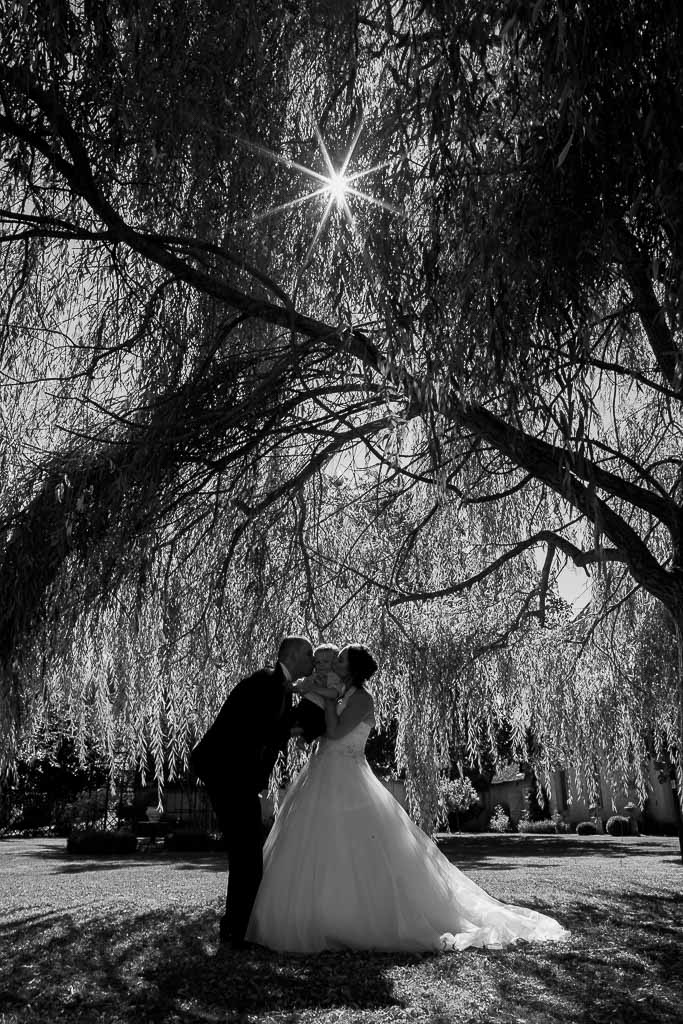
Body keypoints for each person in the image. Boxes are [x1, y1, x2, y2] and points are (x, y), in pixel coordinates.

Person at [246, 644, 569, 953]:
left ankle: (353, 917)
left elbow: (335, 732)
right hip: (322, 769)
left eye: (342, 660)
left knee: (354, 845)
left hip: (346, 772)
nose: (335, 663)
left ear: (354, 669)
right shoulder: (341, 692)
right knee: (318, 841)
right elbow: (322, 731)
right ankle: (318, 912)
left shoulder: (360, 698)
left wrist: (327, 703)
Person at [190, 635, 314, 947]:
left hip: (234, 778)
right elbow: (262, 728)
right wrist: (298, 727)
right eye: (310, 655)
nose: (312, 662)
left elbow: (275, 726)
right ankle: (234, 932)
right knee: (247, 854)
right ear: (296, 655)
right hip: (227, 774)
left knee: (247, 853)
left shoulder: (278, 687)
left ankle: (236, 930)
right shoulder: (266, 683)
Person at [289, 642, 346, 743]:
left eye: (325, 661)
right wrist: (294, 687)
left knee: (319, 726)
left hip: (319, 709)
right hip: (305, 704)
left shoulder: (334, 677)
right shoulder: (314, 675)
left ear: (334, 663)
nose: (321, 665)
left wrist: (315, 688)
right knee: (293, 714)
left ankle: (303, 738)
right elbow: (303, 684)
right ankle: (292, 728)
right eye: (318, 662)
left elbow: (334, 693)